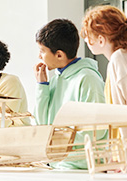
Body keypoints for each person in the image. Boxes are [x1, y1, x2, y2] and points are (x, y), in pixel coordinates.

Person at [33, 19, 107, 169]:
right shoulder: (54, 81)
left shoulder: (87, 78)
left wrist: (58, 145)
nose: (39, 56)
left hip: (82, 168)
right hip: (57, 165)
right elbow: (42, 124)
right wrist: (42, 86)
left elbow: (97, 130)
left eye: (42, 51)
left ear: (59, 55)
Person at [81, 5, 127, 140]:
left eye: (88, 36)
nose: (86, 41)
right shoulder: (119, 58)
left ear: (101, 40)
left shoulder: (119, 59)